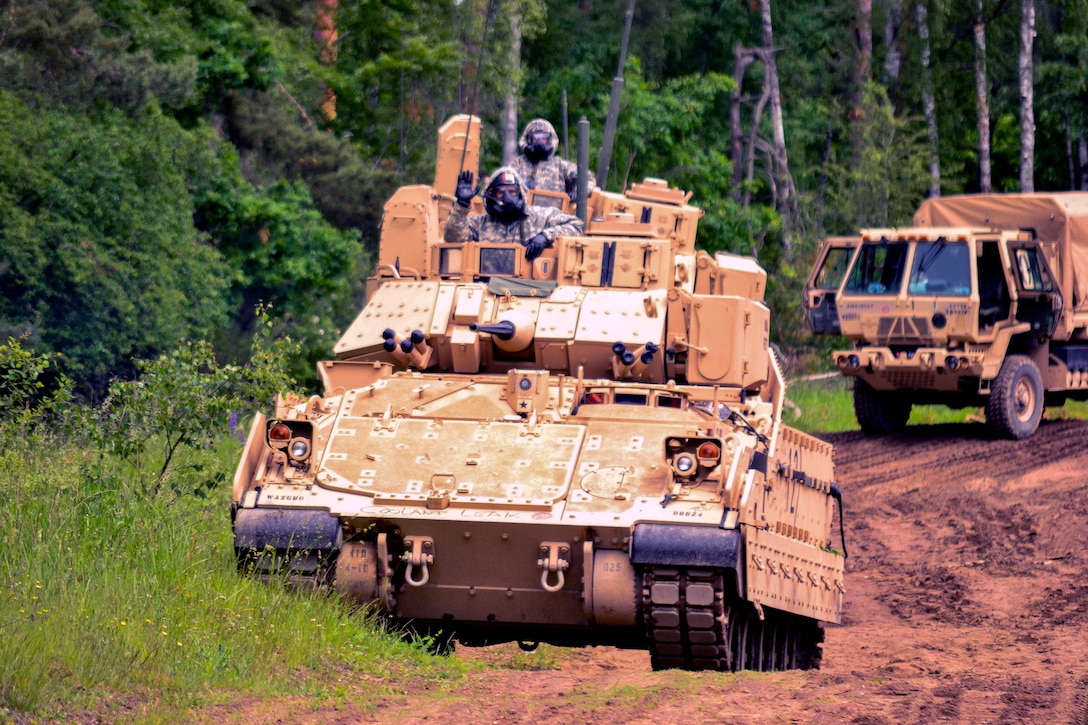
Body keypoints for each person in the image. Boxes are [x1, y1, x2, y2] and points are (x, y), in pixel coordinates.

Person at [444, 166, 584, 261]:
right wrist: (461, 204)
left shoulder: (541, 217)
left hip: (530, 290)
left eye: (511, 192)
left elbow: (576, 226)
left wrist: (545, 236)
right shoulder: (480, 224)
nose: (507, 199)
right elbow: (453, 238)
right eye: (500, 193)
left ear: (521, 193)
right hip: (489, 287)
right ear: (491, 194)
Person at [509, 119, 595, 201]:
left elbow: (587, 178)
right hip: (525, 213)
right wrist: (520, 186)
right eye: (535, 139)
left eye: (544, 139)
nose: (539, 143)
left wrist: (579, 192)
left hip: (555, 214)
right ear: (527, 140)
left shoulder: (560, 166)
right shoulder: (517, 165)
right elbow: (503, 186)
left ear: (551, 140)